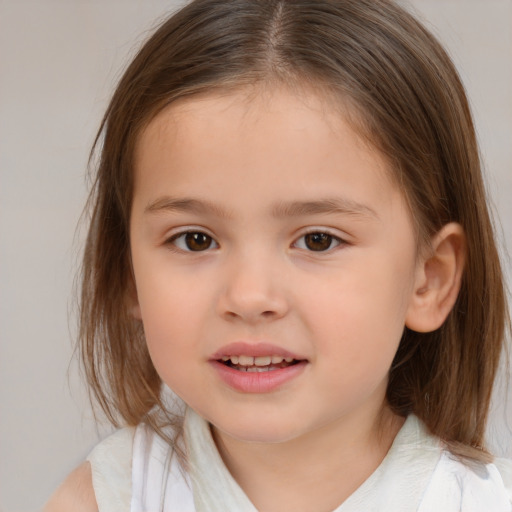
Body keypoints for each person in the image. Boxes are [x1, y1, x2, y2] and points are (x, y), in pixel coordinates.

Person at [44, 0, 512, 510]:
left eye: (318, 240)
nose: (249, 296)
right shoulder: (105, 498)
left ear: (429, 280)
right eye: (195, 239)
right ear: (127, 273)